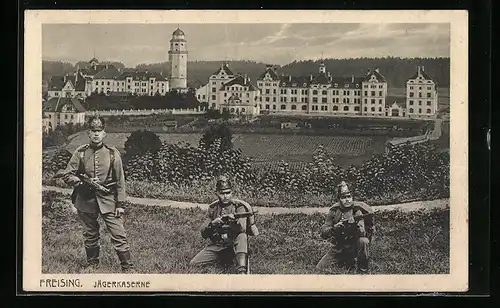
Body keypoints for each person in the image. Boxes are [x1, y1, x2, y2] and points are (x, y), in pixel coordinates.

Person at [56, 116, 134, 272]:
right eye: (93, 131)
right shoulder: (81, 153)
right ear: (88, 133)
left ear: (104, 133)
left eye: (99, 131)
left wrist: (120, 204)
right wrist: (81, 183)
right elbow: (67, 174)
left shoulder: (113, 154)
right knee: (90, 233)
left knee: (118, 233)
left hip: (109, 199)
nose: (96, 134)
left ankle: (127, 267)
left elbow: (120, 181)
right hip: (86, 199)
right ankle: (92, 265)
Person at [190, 176, 259, 274]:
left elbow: (242, 229)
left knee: (242, 237)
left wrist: (234, 222)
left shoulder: (239, 207)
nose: (226, 196)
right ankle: (224, 258)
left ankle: (242, 270)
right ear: (216, 193)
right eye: (222, 193)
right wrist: (213, 224)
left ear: (232, 193)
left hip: (234, 243)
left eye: (228, 192)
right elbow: (204, 233)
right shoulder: (213, 208)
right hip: (218, 244)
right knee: (194, 263)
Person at [316, 181, 375, 274]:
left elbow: (366, 230)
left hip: (355, 244)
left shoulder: (359, 209)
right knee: (320, 267)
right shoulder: (334, 210)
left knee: (364, 241)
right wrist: (334, 228)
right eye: (343, 197)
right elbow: (323, 232)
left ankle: (362, 271)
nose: (347, 200)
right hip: (340, 246)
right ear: (339, 198)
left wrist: (356, 226)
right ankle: (345, 260)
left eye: (349, 196)